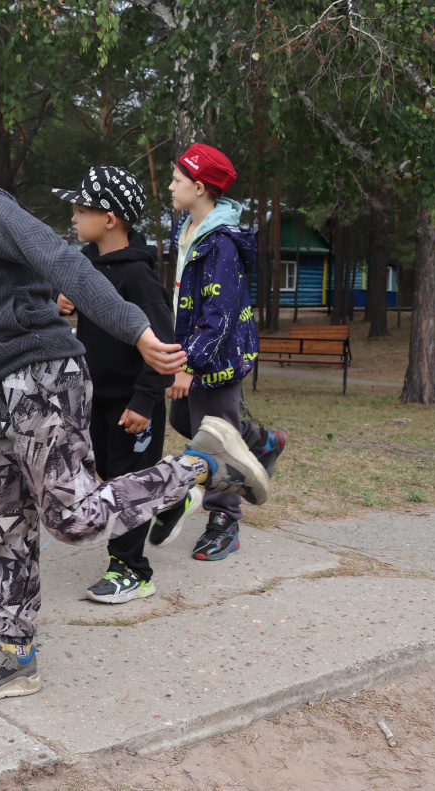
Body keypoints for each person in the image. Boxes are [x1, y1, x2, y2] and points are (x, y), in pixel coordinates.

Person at [0, 96, 272, 703]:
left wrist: (137, 332)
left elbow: (61, 261)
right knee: (5, 527)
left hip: (41, 380)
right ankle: (15, 655)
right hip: (1, 391)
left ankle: (205, 462)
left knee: (73, 517)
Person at [51, 166, 189, 605]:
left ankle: (132, 570)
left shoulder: (138, 277)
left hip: (134, 402)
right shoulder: (88, 265)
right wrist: (63, 302)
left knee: (127, 484)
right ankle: (169, 497)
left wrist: (146, 399)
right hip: (97, 398)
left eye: (80, 209)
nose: (73, 218)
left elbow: (165, 343)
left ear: (110, 218)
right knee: (110, 479)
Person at [165, 144, 287, 561]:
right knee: (183, 418)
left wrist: (189, 365)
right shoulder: (186, 227)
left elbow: (218, 315)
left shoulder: (221, 245)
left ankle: (224, 522)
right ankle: (261, 441)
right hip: (194, 351)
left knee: (210, 438)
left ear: (199, 187)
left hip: (216, 358)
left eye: (177, 181)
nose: (170, 186)